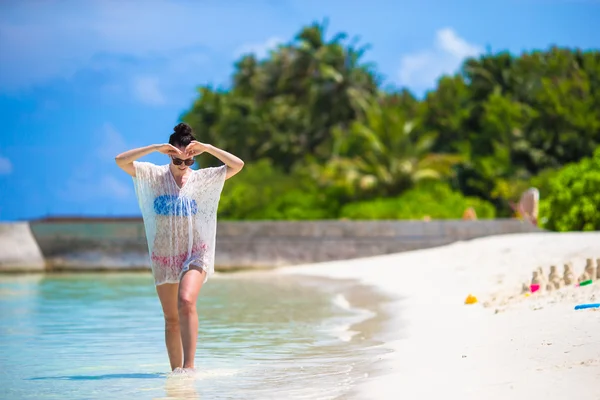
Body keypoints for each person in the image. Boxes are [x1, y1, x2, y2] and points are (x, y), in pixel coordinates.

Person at [115, 122, 244, 372]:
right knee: (171, 319)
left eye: (189, 161)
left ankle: (190, 367)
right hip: (164, 257)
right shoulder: (153, 176)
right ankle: (176, 376)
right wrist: (155, 148)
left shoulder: (202, 179)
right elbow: (120, 161)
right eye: (179, 160)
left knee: (186, 301)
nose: (184, 166)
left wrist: (207, 147)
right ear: (171, 155)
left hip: (196, 253)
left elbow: (237, 165)